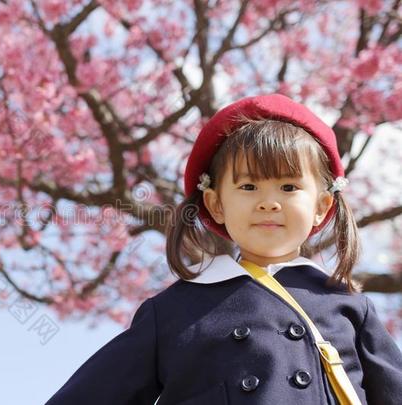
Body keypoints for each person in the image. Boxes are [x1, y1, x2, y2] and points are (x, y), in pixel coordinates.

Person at [44, 94, 402, 404]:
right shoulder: (173, 312)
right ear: (215, 204)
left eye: (289, 187)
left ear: (322, 206)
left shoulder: (349, 306)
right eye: (248, 187)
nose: (268, 203)